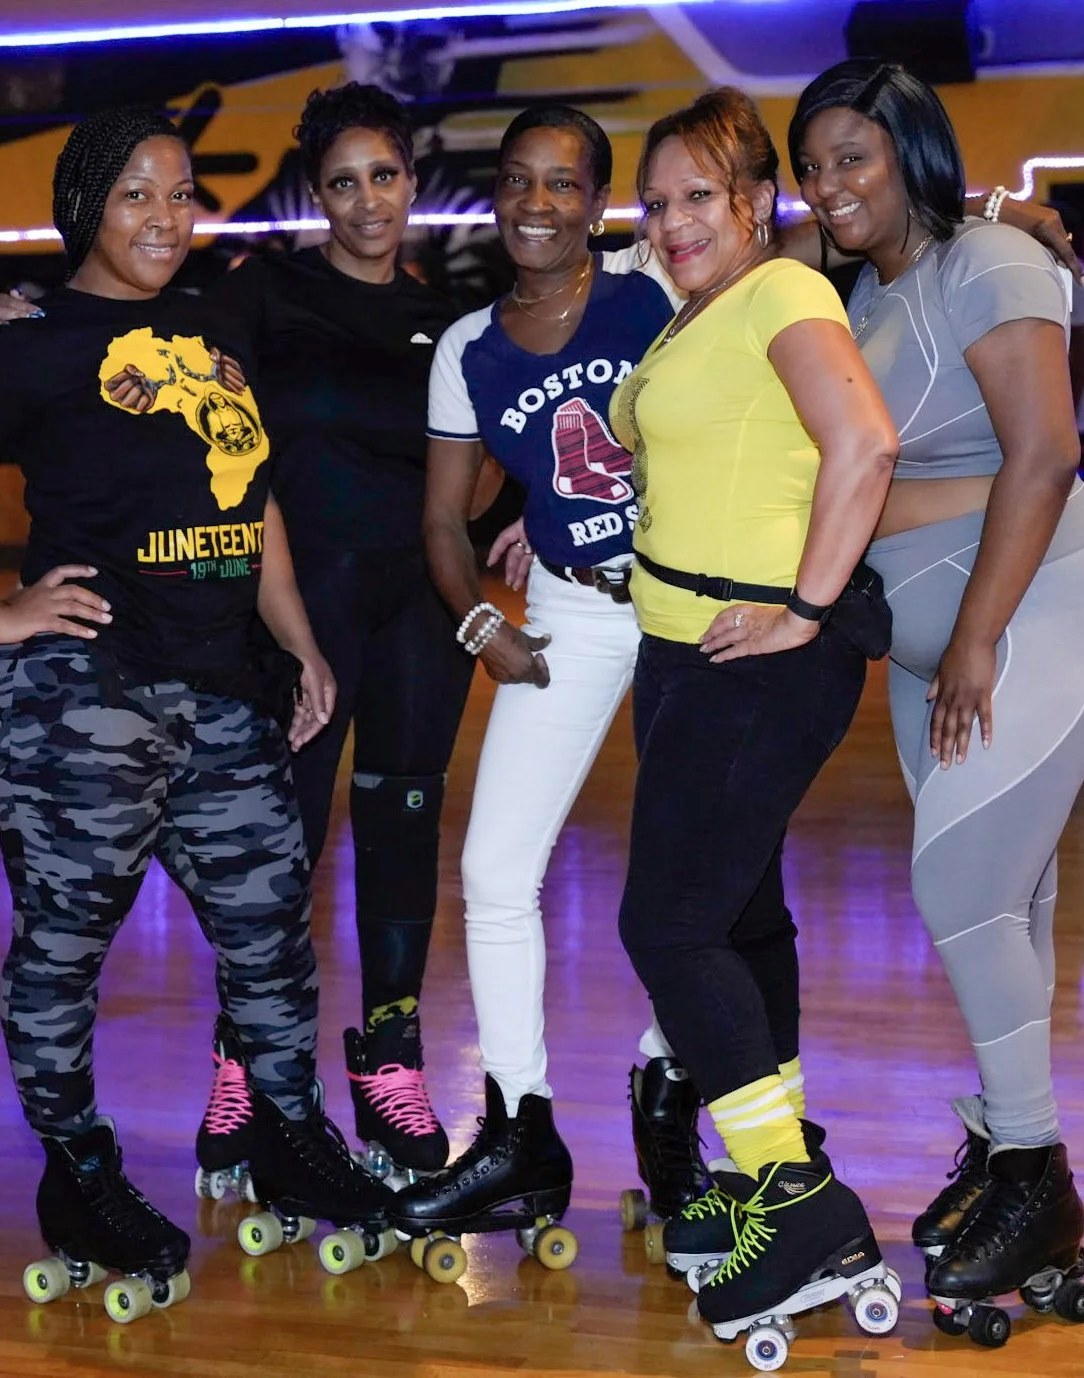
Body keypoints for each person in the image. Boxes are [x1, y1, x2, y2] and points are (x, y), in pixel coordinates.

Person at [0, 108, 393, 1311]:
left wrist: (298, 639)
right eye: (134, 197)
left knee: (271, 935)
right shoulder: (31, 337)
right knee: (66, 950)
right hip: (79, 705)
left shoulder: (211, 324)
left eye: (180, 194)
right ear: (84, 210)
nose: (165, 218)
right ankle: (78, 1170)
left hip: (222, 692)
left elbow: (248, 496)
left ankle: (284, 1139)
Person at [0, 85, 476, 1183]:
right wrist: (23, 309)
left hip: (414, 621)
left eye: (383, 176)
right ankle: (243, 1078)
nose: (365, 202)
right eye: (341, 181)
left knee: (398, 839)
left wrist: (526, 529)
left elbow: (490, 459)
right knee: (263, 866)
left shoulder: (447, 322)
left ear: (410, 182)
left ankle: (388, 1068)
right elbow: (123, 329)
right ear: (315, 193)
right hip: (295, 617)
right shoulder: (253, 297)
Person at [790, 60, 1084, 1336]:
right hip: (933, 641)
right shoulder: (850, 296)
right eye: (813, 162)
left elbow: (1043, 454)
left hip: (1042, 602)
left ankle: (1035, 1172)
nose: (830, 185)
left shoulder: (984, 257)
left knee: (956, 886)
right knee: (1012, 892)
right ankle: (1004, 1154)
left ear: (909, 155)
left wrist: (979, 635)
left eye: (854, 157)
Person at [390, 103, 708, 1271]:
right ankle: (522, 1129)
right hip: (568, 611)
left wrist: (987, 210)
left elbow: (807, 257)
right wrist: (481, 623)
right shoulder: (467, 346)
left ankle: (669, 1102)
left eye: (562, 184)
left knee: (696, 881)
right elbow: (437, 517)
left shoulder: (653, 288)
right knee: (490, 870)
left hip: (686, 604)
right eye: (516, 182)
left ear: (598, 203)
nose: (535, 203)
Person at [609, 87, 902, 1338]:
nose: (673, 221)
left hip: (754, 657)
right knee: (737, 915)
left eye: (697, 198)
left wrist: (803, 604)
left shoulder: (782, 293)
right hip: (682, 656)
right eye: (657, 201)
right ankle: (765, 1177)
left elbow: (864, 444)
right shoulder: (696, 316)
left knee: (667, 925)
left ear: (752, 202)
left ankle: (797, 1198)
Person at [1046, 200, 1084, 472]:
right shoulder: (1076, 271)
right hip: (1073, 406)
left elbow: (1080, 349)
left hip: (1075, 407)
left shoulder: (1069, 275)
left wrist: (1068, 411)